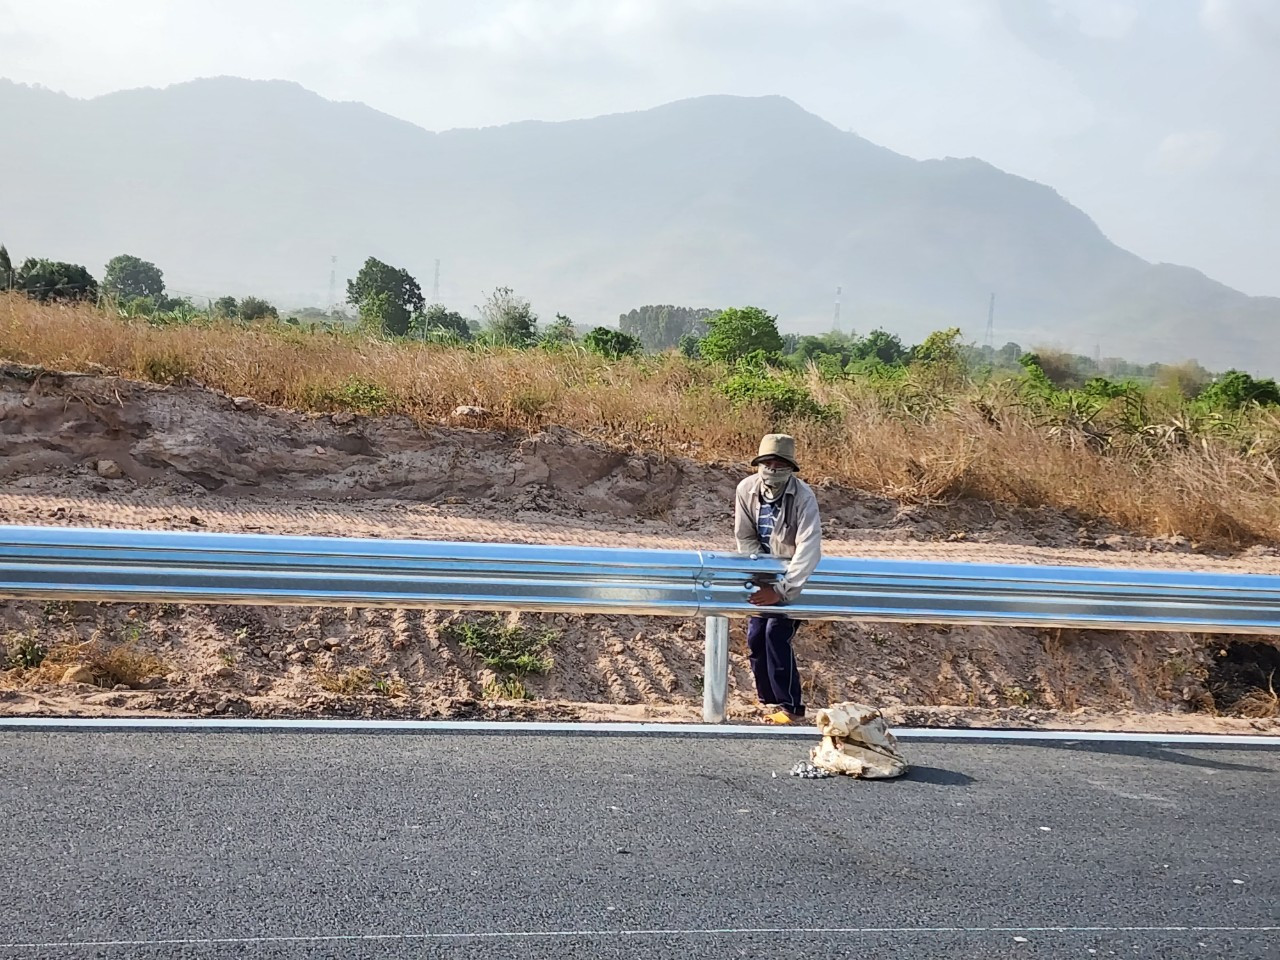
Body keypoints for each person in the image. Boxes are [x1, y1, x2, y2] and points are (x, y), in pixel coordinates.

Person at [733, 433, 822, 724]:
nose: (772, 468)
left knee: (776, 634)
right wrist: (760, 577)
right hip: (764, 577)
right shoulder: (746, 489)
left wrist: (782, 590)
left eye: (779, 463)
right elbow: (744, 536)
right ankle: (769, 701)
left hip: (793, 580)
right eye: (767, 462)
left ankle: (792, 707)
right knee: (756, 636)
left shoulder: (803, 497)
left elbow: (809, 548)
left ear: (790, 467)